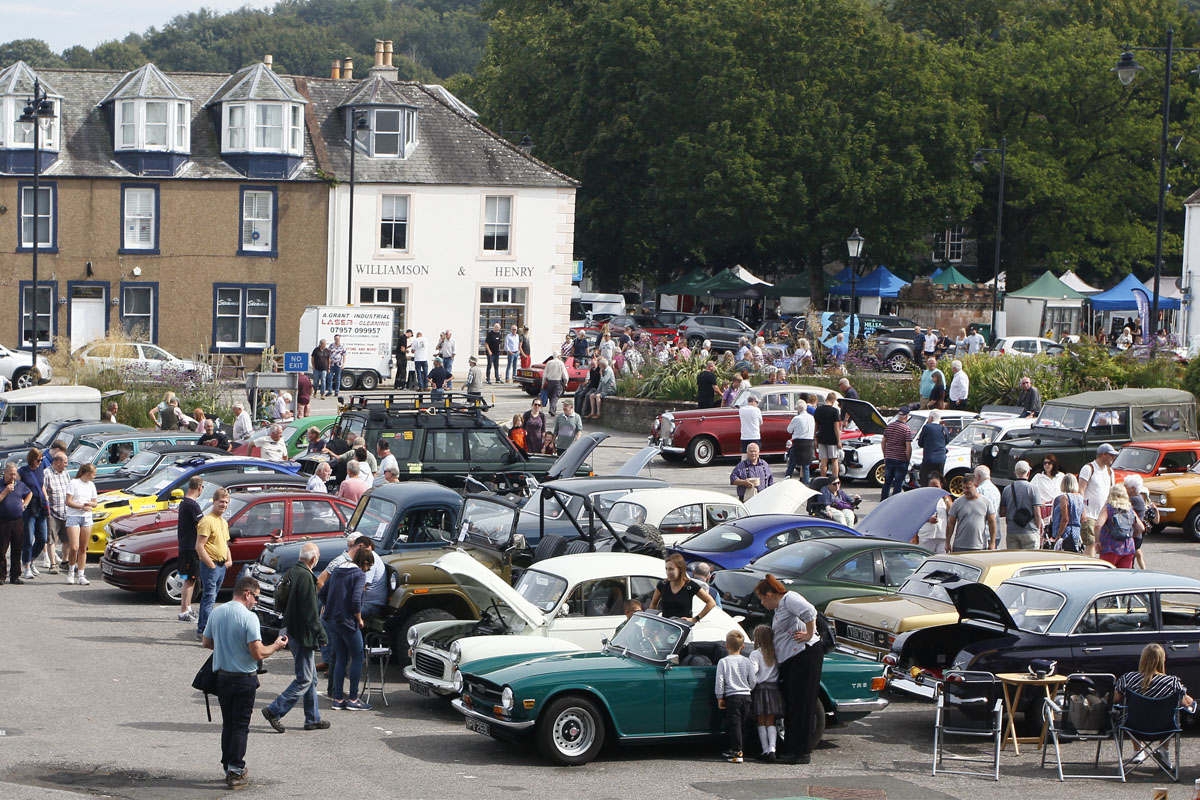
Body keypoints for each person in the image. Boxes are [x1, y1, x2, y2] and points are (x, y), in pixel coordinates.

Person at [202, 576, 289, 790]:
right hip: (244, 679)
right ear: (247, 593)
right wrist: (276, 646)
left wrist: (226, 646)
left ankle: (227, 767)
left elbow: (207, 642)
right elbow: (258, 652)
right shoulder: (249, 618)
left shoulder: (217, 612)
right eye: (256, 597)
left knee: (229, 725)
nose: (257, 602)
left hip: (222, 677)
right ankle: (236, 770)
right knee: (241, 726)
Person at [261, 542, 330, 734]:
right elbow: (310, 612)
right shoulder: (307, 577)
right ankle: (274, 710)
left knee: (311, 678)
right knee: (305, 679)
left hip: (291, 629)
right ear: (314, 559)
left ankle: (313, 718)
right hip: (303, 634)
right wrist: (322, 635)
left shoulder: (293, 571)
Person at [753, 575, 821, 764]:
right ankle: (793, 749)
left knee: (802, 703)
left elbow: (810, 611)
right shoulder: (780, 607)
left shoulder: (789, 598)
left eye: (761, 598)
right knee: (793, 703)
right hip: (792, 658)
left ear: (769, 595)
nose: (761, 602)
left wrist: (808, 633)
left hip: (803, 655)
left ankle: (800, 752)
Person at [318, 547, 374, 711]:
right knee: (357, 657)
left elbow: (322, 594)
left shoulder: (337, 570)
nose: (368, 570)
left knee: (341, 657)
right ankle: (353, 699)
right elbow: (356, 599)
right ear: (364, 563)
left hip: (331, 620)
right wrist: (359, 617)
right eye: (369, 567)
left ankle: (337, 698)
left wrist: (330, 605)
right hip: (347, 620)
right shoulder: (359, 575)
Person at [195, 488, 234, 639]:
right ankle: (205, 631)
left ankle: (203, 629)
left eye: (226, 502)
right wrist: (210, 564)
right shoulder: (207, 521)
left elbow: (224, 543)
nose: (223, 505)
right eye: (221, 502)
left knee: (212, 598)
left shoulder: (223, 522)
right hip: (210, 566)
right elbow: (199, 546)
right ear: (214, 501)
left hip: (221, 565)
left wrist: (229, 560)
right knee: (209, 598)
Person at [715, 629, 755, 763]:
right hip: (746, 695)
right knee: (744, 724)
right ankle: (742, 748)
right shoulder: (747, 661)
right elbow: (753, 680)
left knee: (734, 724)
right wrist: (749, 688)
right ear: (743, 646)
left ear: (726, 645)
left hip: (732, 696)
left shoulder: (723, 662)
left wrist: (720, 696)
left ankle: (737, 752)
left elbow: (720, 680)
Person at [1113, 644, 1193, 708]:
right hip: (1164, 725)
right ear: (1162, 660)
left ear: (1143, 659)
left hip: (1132, 725)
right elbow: (1187, 703)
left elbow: (1114, 699)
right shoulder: (1172, 682)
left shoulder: (1128, 678)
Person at [748, 624, 784, 762]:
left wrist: (751, 687)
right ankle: (772, 749)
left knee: (761, 721)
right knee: (771, 720)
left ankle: (764, 750)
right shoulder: (776, 652)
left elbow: (753, 673)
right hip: (774, 689)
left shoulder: (755, 654)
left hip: (761, 689)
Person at [649, 553, 716, 621]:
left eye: (671, 569)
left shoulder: (690, 586)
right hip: (666, 628)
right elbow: (653, 603)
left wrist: (695, 619)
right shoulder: (662, 585)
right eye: (666, 569)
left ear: (680, 569)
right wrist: (652, 622)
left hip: (683, 628)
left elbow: (711, 602)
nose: (668, 572)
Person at [1079, 443, 1118, 557]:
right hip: (1090, 513)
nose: (1113, 458)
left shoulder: (1110, 471)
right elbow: (1081, 490)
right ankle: (1089, 569)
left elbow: (1112, 492)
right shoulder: (1089, 468)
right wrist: (1083, 511)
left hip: (1104, 514)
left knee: (1103, 544)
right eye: (1111, 455)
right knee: (1090, 543)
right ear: (1103, 455)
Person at [64, 464, 99, 585]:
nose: (94, 476)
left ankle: (81, 574)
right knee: (74, 547)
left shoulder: (91, 485)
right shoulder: (74, 483)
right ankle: (71, 572)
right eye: (93, 474)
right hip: (74, 516)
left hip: (87, 518)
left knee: (83, 548)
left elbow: (95, 503)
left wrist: (90, 504)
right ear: (87, 473)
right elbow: (68, 501)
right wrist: (81, 506)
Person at [176, 477, 204, 623]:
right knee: (190, 579)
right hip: (189, 547)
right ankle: (184, 611)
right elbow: (202, 524)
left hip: (186, 546)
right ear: (199, 488)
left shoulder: (184, 502)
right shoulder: (192, 505)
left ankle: (188, 608)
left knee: (191, 579)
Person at [1095, 484, 1143, 568]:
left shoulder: (1108, 508)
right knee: (1123, 577)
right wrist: (1130, 536)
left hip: (1110, 547)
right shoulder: (1129, 509)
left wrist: (1097, 541)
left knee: (1107, 575)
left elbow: (1098, 525)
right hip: (1128, 547)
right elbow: (1141, 528)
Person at [946, 475, 996, 552]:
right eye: (963, 488)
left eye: (968, 488)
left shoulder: (986, 502)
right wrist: (947, 542)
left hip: (979, 546)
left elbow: (992, 522)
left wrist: (992, 543)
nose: (965, 490)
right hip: (960, 545)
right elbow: (950, 524)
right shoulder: (957, 503)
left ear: (975, 485)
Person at [0, 462, 31, 585]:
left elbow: (29, 493)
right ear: (5, 473)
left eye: (14, 474)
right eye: (10, 474)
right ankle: (1, 575)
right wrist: (6, 492)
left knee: (17, 549)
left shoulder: (20, 485)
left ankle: (15, 576)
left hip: (17, 521)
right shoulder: (2, 485)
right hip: (2, 521)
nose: (13, 477)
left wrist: (25, 504)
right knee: (1, 550)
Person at [18, 448, 47, 580]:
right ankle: (27, 567)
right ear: (32, 459)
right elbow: (17, 487)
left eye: (41, 460)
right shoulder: (22, 471)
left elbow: (41, 485)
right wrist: (21, 502)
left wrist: (46, 499)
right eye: (38, 460)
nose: (40, 462)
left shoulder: (40, 469)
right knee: (28, 539)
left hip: (40, 506)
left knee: (42, 538)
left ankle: (32, 559)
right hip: (29, 507)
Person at [1000, 460, 1040, 549]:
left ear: (1015, 473)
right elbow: (1037, 512)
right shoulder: (1033, 489)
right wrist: (1038, 528)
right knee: (1031, 561)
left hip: (1012, 530)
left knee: (1014, 560)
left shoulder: (1007, 489)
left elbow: (1003, 512)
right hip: (1029, 529)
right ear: (1028, 473)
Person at [43, 451, 70, 573]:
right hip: (53, 512)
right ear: (58, 462)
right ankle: (52, 564)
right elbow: (44, 493)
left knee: (67, 540)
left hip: (66, 511)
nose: (67, 464)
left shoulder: (66, 473)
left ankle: (65, 561)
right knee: (51, 539)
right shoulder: (46, 474)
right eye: (65, 462)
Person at [880, 406, 914, 501]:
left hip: (889, 458)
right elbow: (908, 447)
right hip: (901, 459)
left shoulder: (890, 426)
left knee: (887, 482)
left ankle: (883, 501)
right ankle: (894, 502)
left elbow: (883, 442)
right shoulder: (906, 429)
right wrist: (908, 458)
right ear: (907, 416)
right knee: (898, 483)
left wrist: (885, 455)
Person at [1125, 473, 1158, 570]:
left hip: (1136, 533)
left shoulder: (1134, 499)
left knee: (1130, 559)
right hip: (1138, 533)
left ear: (1133, 488)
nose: (1125, 488)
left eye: (1126, 486)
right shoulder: (1138, 498)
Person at [917, 475, 952, 553]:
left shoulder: (946, 498)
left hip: (942, 535)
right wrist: (928, 519)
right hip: (927, 536)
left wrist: (945, 497)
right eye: (932, 487)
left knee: (942, 560)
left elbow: (952, 512)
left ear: (941, 485)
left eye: (937, 486)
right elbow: (917, 516)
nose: (935, 489)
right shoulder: (922, 499)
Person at [784, 396, 815, 483]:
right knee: (806, 466)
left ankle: (787, 479)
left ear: (798, 409)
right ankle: (806, 484)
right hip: (809, 442)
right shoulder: (811, 417)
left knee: (792, 463)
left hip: (798, 442)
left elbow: (789, 430)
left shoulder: (797, 418)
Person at [1051, 473, 1084, 552]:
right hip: (1076, 531)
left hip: (1066, 533)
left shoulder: (1065, 497)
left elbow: (1065, 519)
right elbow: (1083, 518)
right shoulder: (1080, 498)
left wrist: (1059, 535)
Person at [917, 409, 949, 485]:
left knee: (925, 480)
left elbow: (920, 443)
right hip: (941, 459)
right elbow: (946, 441)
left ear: (931, 418)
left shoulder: (927, 427)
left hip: (929, 458)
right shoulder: (944, 428)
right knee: (939, 480)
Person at [813, 393, 842, 478]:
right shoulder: (834, 411)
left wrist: (815, 438)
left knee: (823, 461)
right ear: (833, 400)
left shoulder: (818, 410)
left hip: (821, 437)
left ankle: (823, 479)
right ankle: (834, 479)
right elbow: (836, 428)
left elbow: (815, 425)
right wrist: (839, 441)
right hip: (832, 439)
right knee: (834, 460)